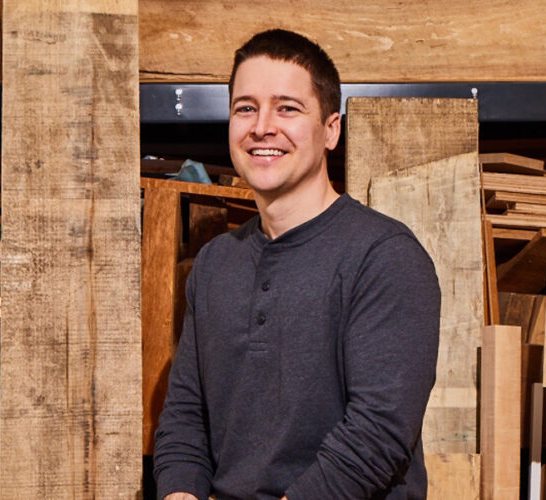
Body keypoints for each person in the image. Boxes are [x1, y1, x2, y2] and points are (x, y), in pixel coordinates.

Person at [154, 29, 440, 500]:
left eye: (287, 108)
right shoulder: (215, 264)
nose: (262, 126)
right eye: (246, 107)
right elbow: (186, 415)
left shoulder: (384, 255)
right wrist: (180, 493)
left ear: (331, 129)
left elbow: (377, 435)